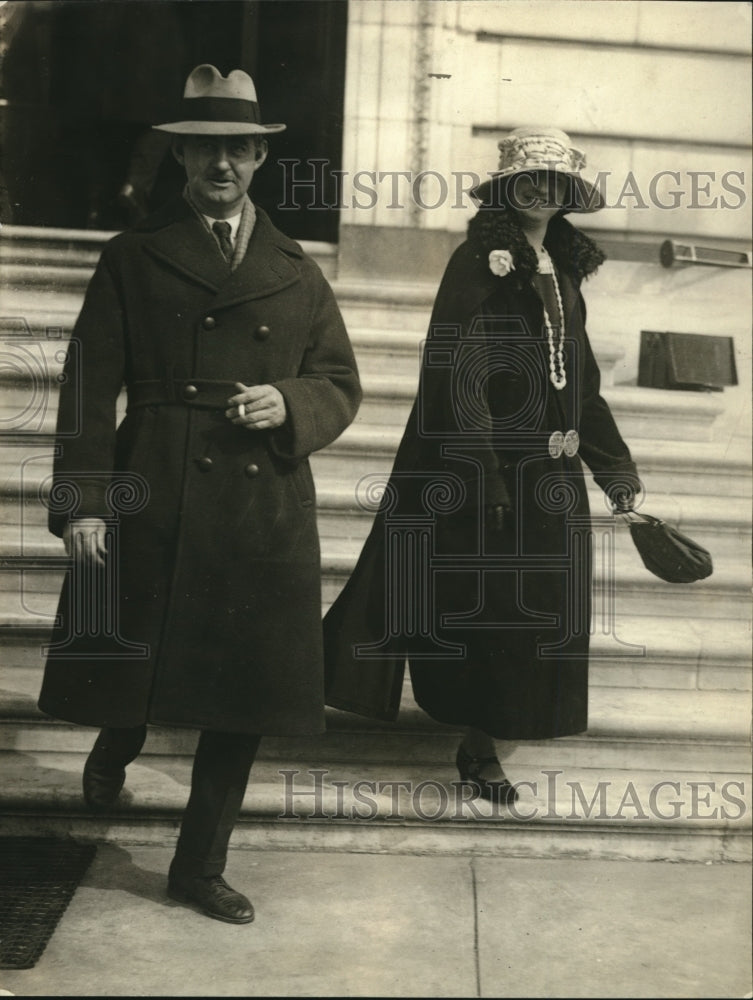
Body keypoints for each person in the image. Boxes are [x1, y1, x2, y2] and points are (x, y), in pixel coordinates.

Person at [38, 64, 362, 924]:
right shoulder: (132, 256)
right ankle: (119, 740)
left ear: (259, 158)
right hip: (157, 483)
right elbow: (85, 385)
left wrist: (289, 401)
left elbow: (337, 378)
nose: (221, 165)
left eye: (238, 150)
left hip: (263, 507)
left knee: (247, 689)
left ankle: (198, 864)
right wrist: (86, 501)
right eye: (204, 150)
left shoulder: (295, 269)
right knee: (140, 662)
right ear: (180, 160)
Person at [323, 126, 640, 803]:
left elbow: (578, 383)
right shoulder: (477, 259)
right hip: (489, 467)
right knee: (495, 612)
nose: (542, 191)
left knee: (544, 612)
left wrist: (615, 474)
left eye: (554, 182)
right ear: (505, 187)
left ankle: (494, 733)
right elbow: (456, 371)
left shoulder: (564, 266)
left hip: (551, 472)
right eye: (529, 178)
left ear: (567, 195)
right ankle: (481, 744)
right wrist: (484, 471)